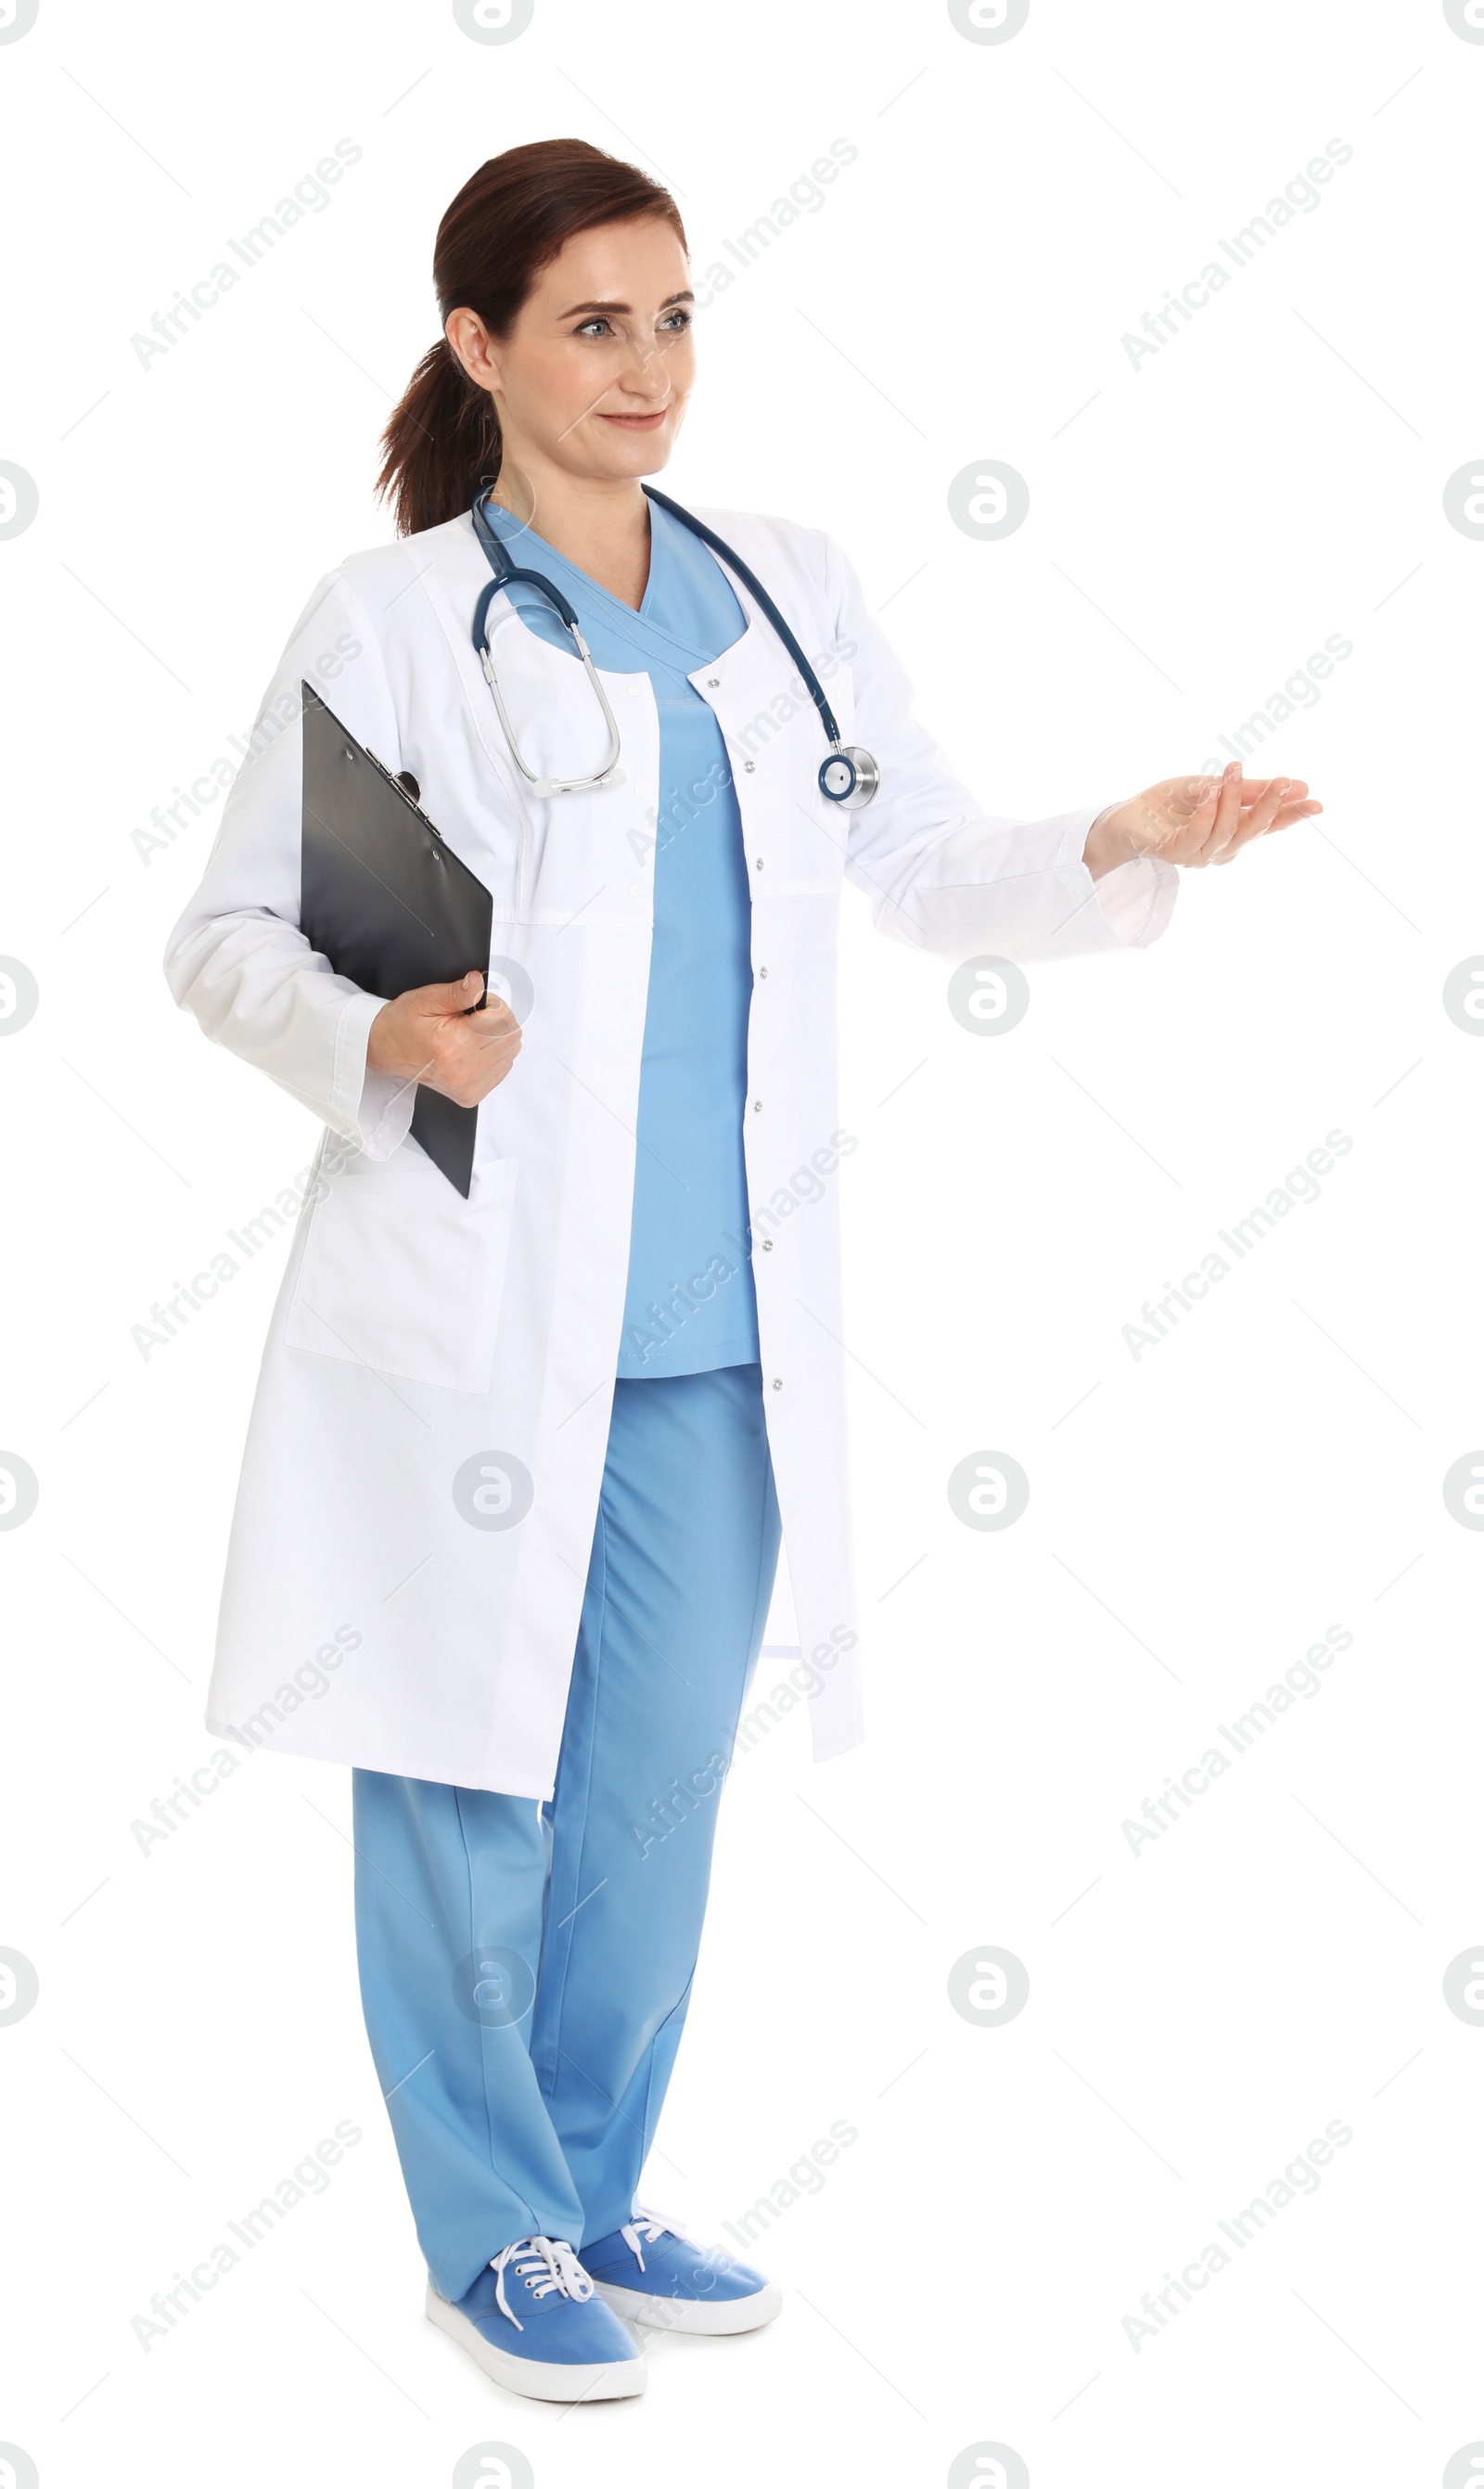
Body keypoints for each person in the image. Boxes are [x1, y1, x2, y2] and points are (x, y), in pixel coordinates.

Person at [163, 137, 1321, 2406]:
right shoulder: (393, 619)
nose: (647, 365)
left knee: (649, 1784)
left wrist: (1110, 839)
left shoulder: (778, 591)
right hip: (478, 1318)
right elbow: (222, 939)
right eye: (592, 322)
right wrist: (375, 1026)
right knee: (459, 1771)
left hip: (714, 1331)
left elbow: (914, 854)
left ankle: (589, 2188)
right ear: (479, 346)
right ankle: (486, 2232)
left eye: (676, 315)